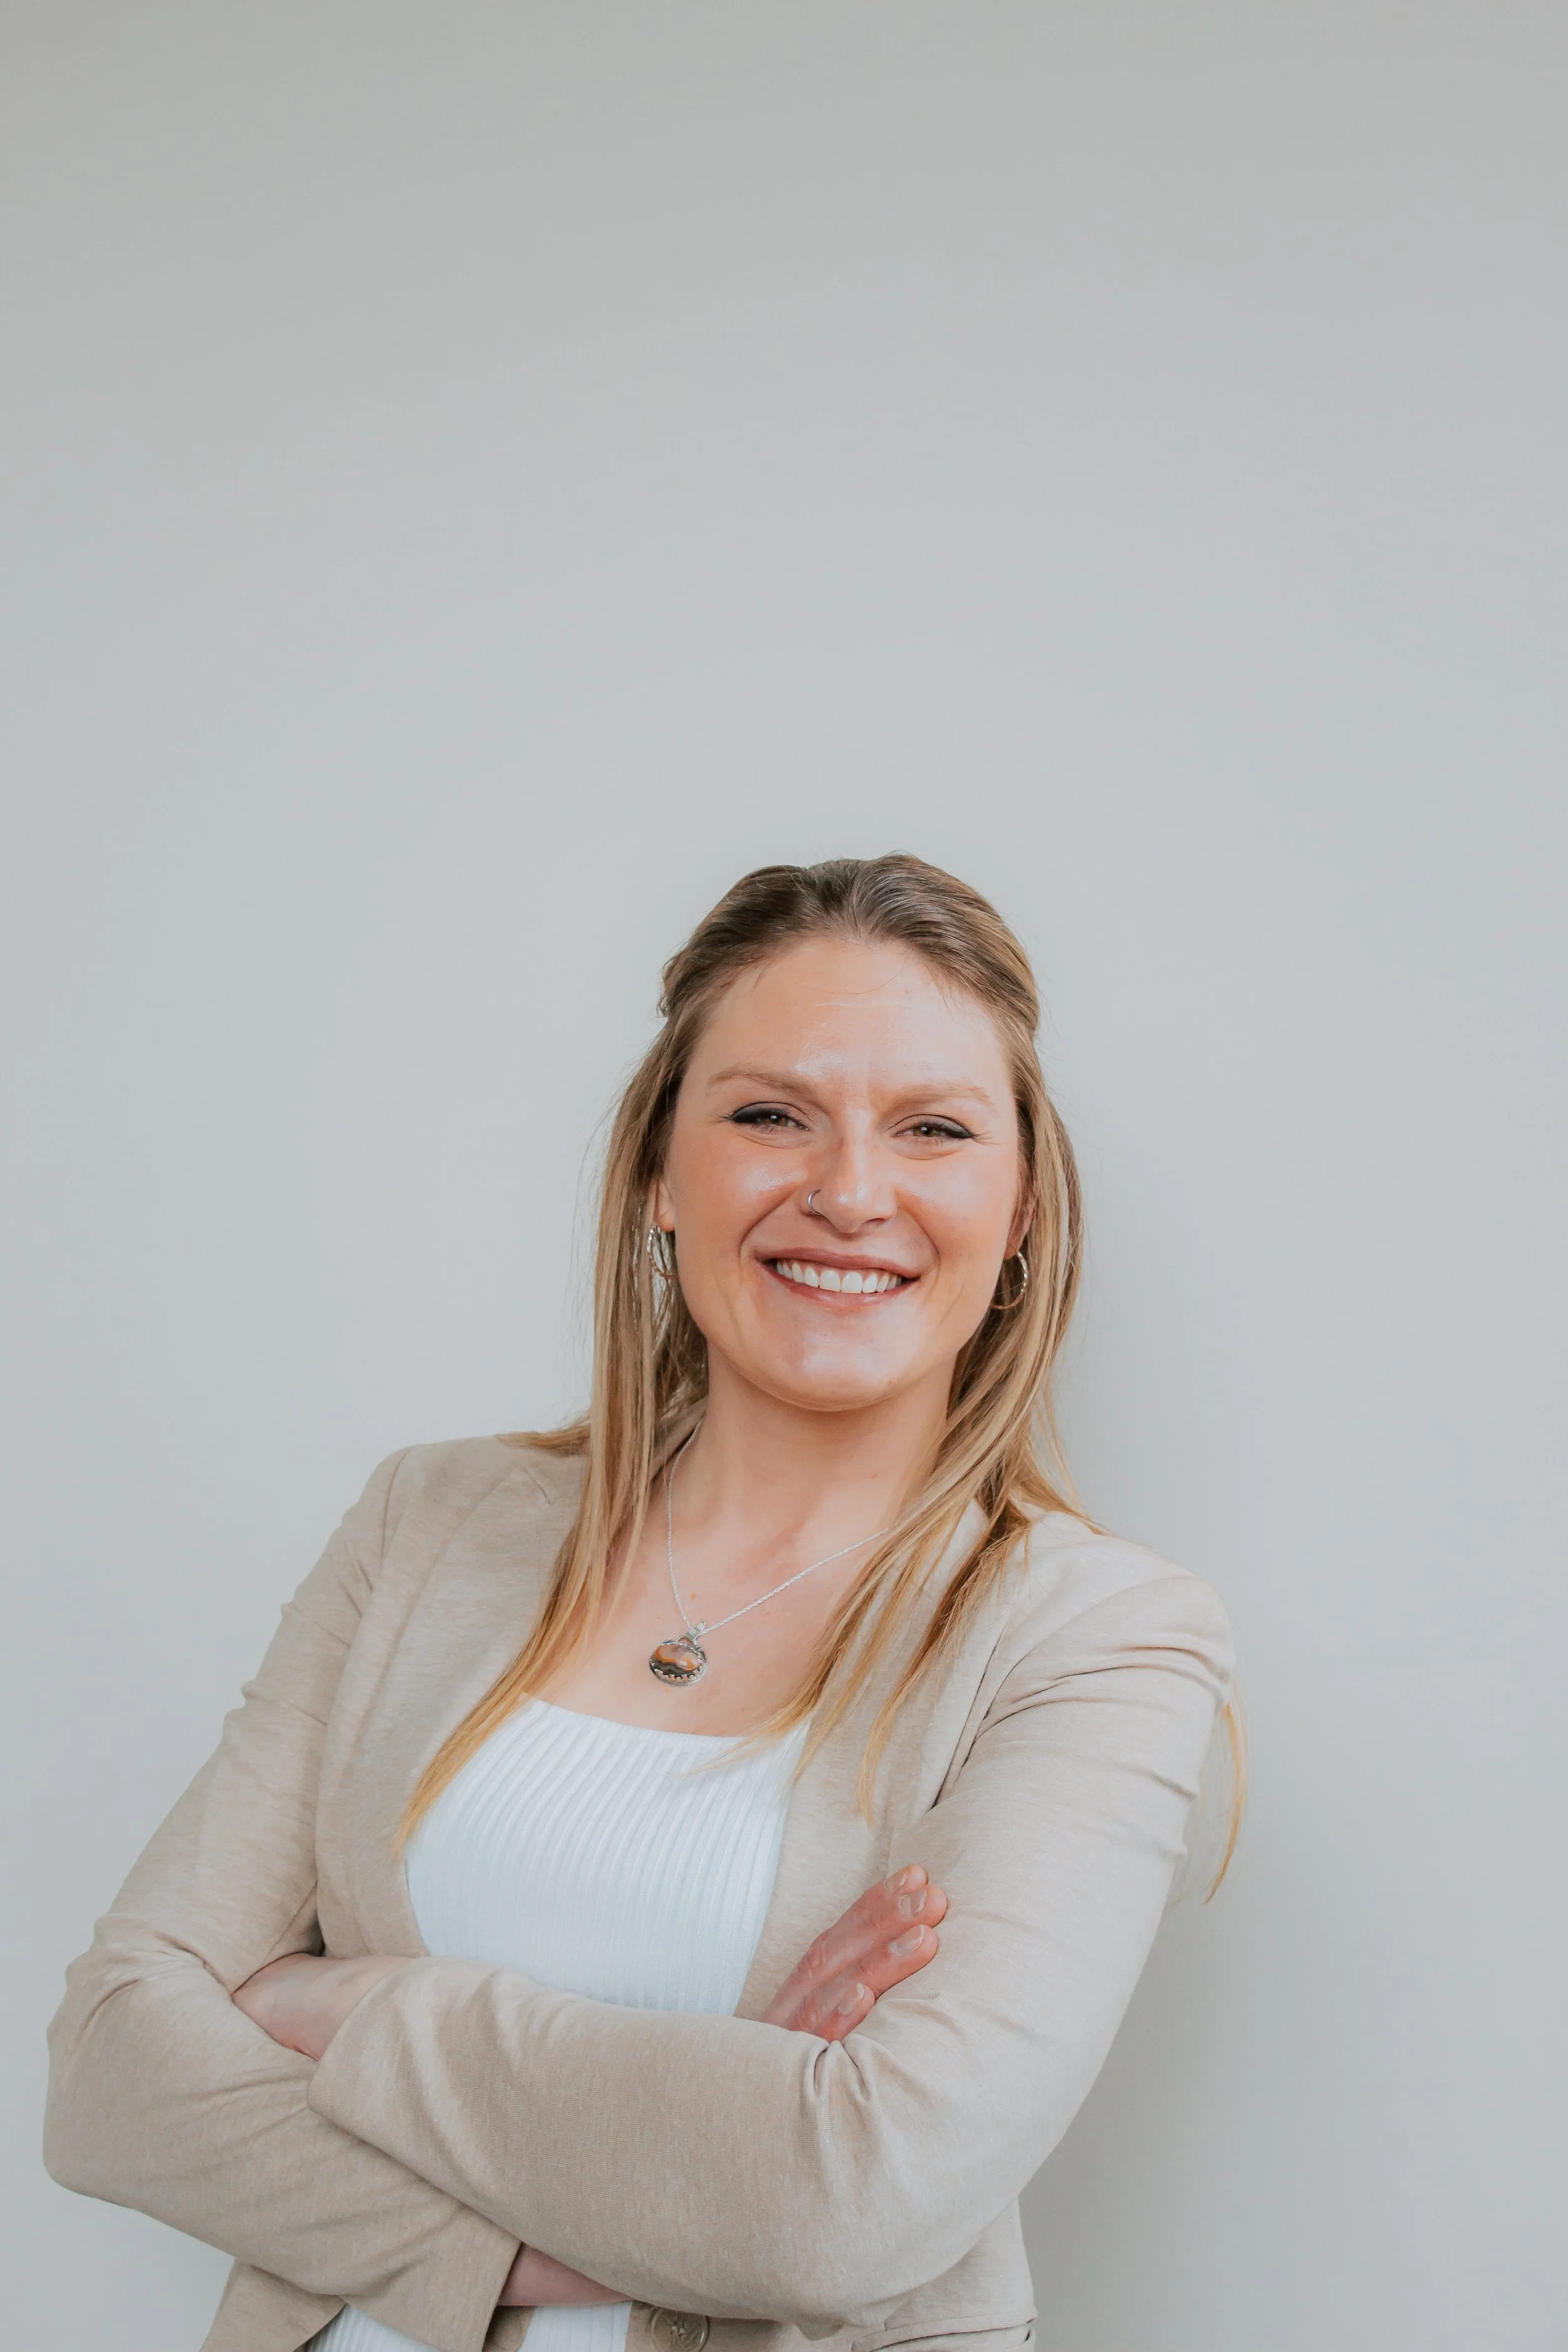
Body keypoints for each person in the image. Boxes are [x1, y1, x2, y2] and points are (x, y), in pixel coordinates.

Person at [45, 854, 1238, 2352]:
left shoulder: (1097, 1637)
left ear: (1015, 1218)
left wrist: (346, 2007)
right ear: (659, 1178)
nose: (849, 1192)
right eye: (766, 1115)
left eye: (932, 1130)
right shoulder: (431, 1521)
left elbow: (849, 2199)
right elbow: (108, 2075)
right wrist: (664, 2156)